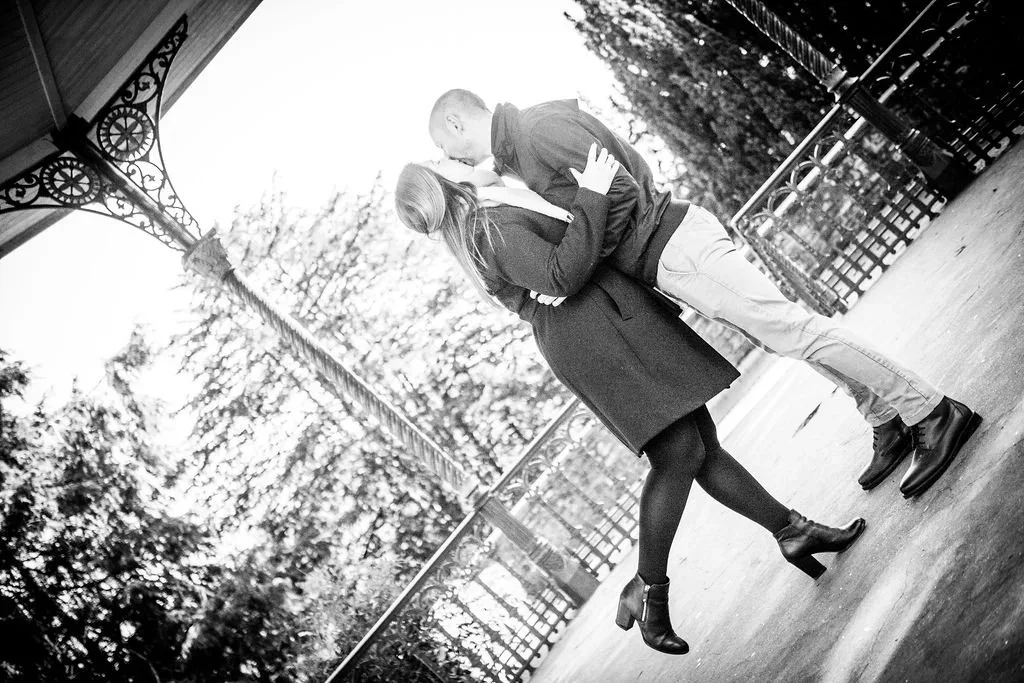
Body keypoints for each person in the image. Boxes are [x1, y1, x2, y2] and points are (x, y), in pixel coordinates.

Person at [394, 147, 865, 656]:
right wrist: (592, 195)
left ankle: (793, 532)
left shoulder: (491, 211)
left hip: (603, 322)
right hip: (592, 336)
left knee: (700, 445)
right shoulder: (488, 230)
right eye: (439, 162)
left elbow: (558, 265)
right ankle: (647, 590)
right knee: (678, 453)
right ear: (439, 184)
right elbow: (559, 274)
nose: (448, 158)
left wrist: (563, 250)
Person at [426, 89, 981, 499]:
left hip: (672, 245)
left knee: (793, 330)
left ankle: (931, 410)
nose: (449, 159)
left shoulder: (536, 132)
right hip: (666, 252)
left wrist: (580, 256)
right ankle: (883, 414)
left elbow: (617, 189)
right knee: (782, 337)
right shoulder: (520, 147)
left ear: (455, 123)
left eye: (442, 148)